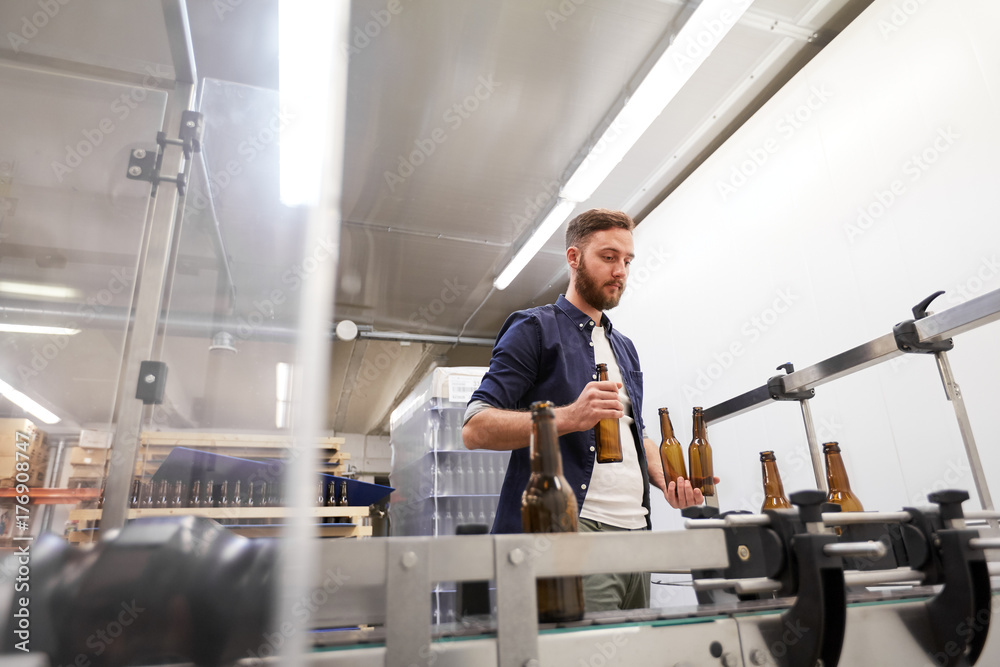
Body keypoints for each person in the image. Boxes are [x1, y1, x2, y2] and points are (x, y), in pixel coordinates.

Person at [463, 208, 714, 612]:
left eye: (627, 261)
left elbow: (638, 434)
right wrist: (567, 418)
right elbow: (475, 427)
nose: (621, 271)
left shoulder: (625, 346)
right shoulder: (534, 329)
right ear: (574, 258)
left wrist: (667, 479)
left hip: (636, 531)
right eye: (609, 257)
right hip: (574, 532)